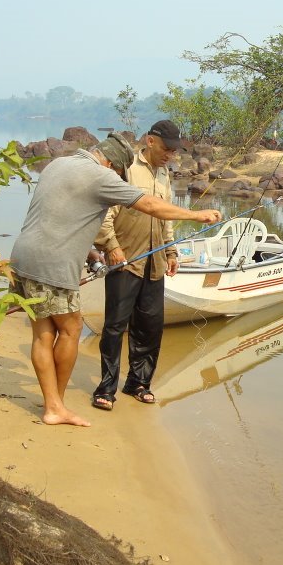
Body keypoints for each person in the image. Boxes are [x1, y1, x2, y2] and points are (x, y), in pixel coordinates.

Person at [8, 132, 220, 426]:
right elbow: (149, 205)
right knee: (71, 329)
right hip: (53, 266)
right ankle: (56, 406)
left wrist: (93, 253)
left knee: (43, 334)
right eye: (120, 173)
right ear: (112, 166)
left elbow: (61, 215)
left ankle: (52, 404)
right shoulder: (101, 176)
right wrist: (196, 216)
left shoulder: (58, 164)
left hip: (22, 257)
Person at [90, 120, 184, 411]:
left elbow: (165, 217)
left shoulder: (165, 174)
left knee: (150, 327)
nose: (170, 155)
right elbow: (106, 211)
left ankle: (138, 383)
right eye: (167, 149)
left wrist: (171, 252)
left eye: (174, 151)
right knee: (115, 326)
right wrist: (112, 247)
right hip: (125, 259)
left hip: (154, 261)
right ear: (150, 141)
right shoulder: (127, 168)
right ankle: (106, 388)